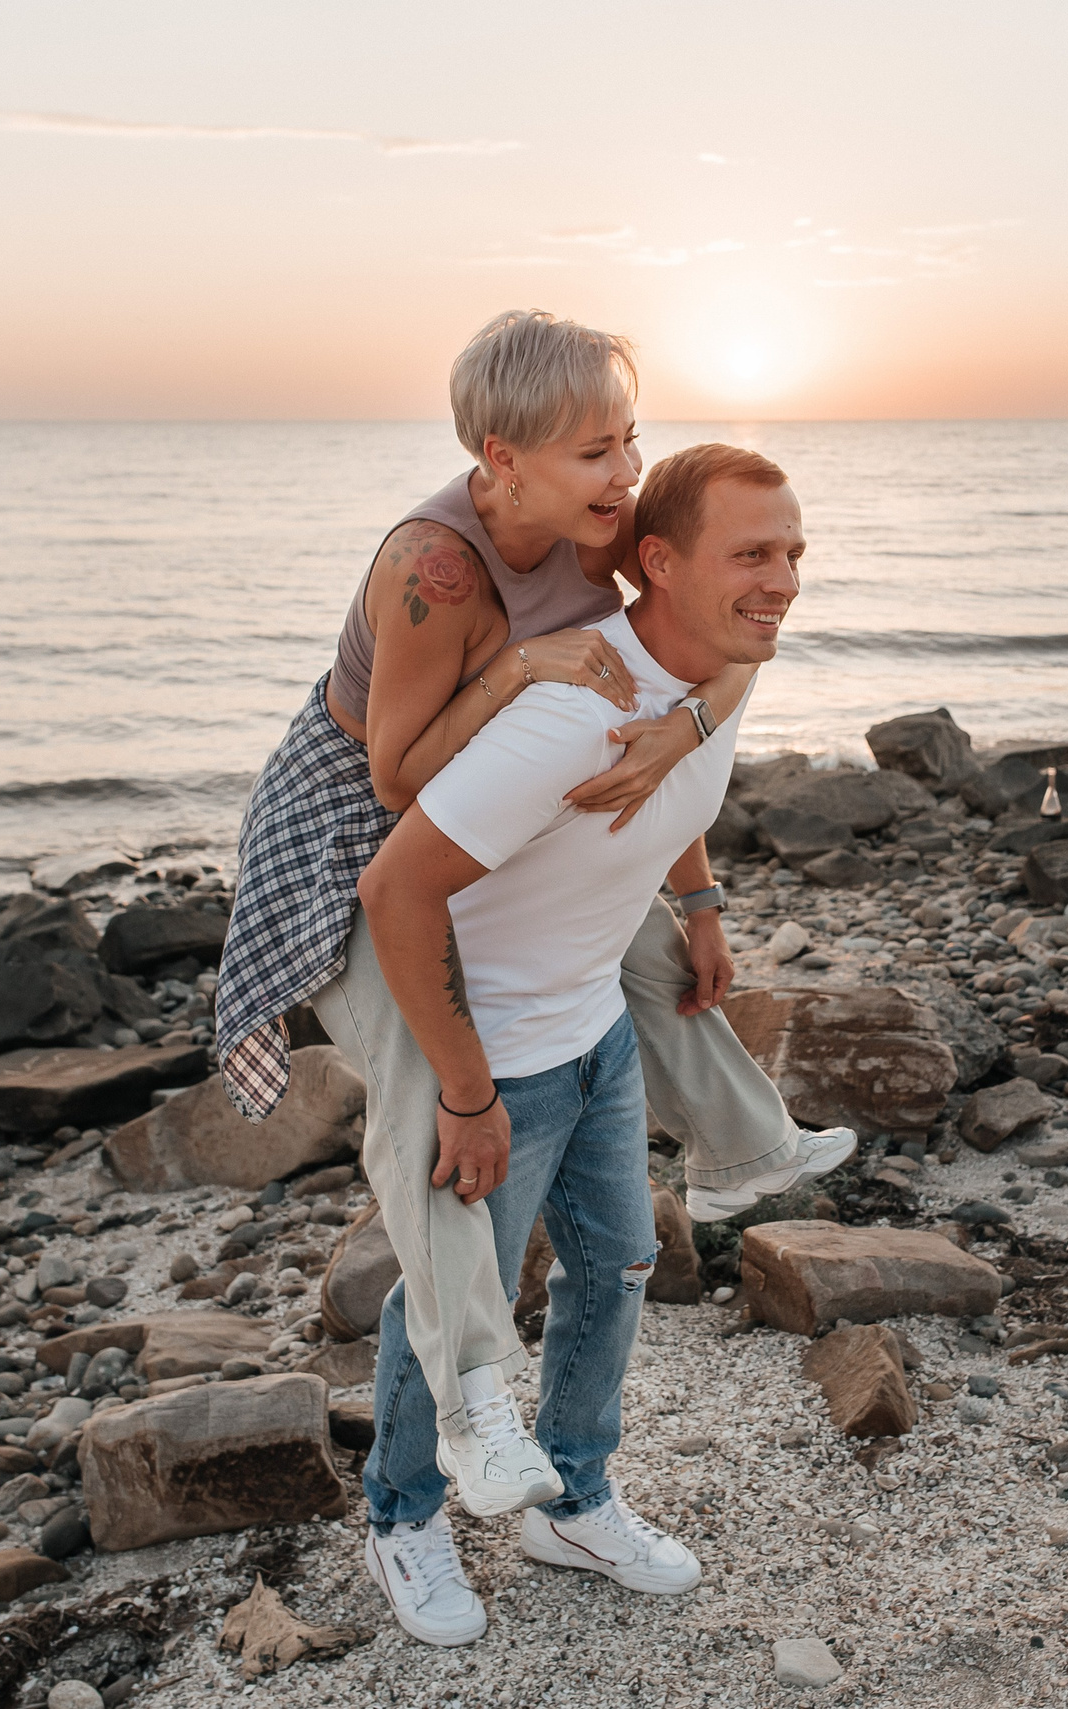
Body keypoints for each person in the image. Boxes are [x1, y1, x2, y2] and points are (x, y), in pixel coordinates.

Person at [212, 313, 852, 1520]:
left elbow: (719, 636)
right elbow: (397, 781)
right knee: (431, 1092)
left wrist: (688, 752)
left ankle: (744, 1149)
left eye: (628, 441)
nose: (622, 476)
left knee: (628, 937)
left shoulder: (598, 540)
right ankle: (467, 1408)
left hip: (489, 800)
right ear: (502, 460)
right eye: (591, 452)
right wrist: (516, 670)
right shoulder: (432, 568)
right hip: (355, 817)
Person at [351, 442, 800, 1644]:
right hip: (495, 1049)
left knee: (618, 1268)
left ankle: (573, 1496)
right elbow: (394, 892)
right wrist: (462, 1086)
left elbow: (691, 765)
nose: (785, 580)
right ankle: (401, 1512)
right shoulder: (568, 717)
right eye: (752, 554)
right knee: (453, 1301)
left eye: (795, 551)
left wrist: (699, 904)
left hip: (598, 1024)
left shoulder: (724, 666)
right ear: (656, 562)